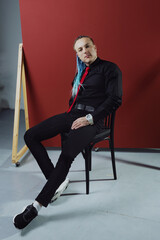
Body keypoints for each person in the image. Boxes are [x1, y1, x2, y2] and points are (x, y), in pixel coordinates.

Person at [13, 35, 122, 229]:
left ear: (95, 47)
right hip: (73, 115)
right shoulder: (81, 72)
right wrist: (70, 117)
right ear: (77, 54)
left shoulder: (110, 69)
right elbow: (74, 99)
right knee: (30, 135)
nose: (84, 51)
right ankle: (56, 182)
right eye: (79, 50)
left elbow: (115, 100)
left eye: (87, 46)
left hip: (93, 122)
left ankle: (36, 206)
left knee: (67, 155)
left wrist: (89, 119)